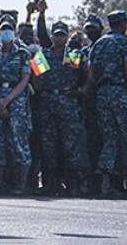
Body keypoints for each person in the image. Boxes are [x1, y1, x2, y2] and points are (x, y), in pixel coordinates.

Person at [89, 11, 127, 197]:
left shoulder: (99, 44)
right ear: (122, 24)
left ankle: (105, 183)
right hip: (120, 92)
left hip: (102, 94)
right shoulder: (124, 42)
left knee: (109, 138)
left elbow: (92, 74)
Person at [34, 19, 88, 197]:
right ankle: (50, 183)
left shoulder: (74, 55)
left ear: (66, 37)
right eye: (56, 35)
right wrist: (40, 92)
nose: (59, 38)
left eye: (62, 35)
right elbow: (35, 77)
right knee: (48, 146)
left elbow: (87, 78)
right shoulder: (43, 54)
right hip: (47, 103)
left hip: (68, 105)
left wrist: (80, 92)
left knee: (70, 146)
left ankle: (72, 184)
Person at [0, 15, 31, 195]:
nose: (6, 32)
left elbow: (25, 79)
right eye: (3, 29)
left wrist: (7, 100)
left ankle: (20, 184)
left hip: (16, 101)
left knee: (18, 142)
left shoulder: (23, 54)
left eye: (9, 29)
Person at [78, 14, 104, 196]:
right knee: (88, 143)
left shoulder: (107, 48)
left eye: (93, 28)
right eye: (87, 29)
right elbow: (71, 75)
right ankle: (88, 181)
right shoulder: (81, 53)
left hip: (106, 101)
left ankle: (106, 182)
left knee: (105, 142)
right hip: (86, 105)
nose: (90, 32)